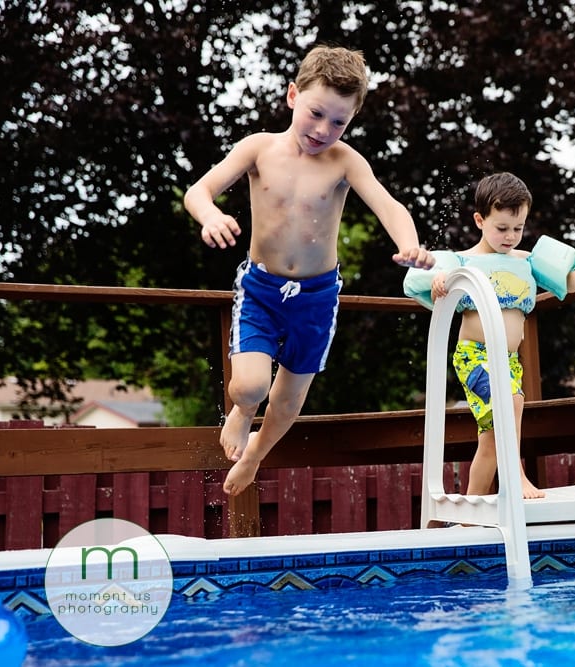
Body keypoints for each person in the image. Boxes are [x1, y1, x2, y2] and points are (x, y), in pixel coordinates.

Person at [184, 45, 434, 497]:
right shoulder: (258, 148)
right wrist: (210, 216)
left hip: (317, 296)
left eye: (339, 122)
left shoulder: (345, 161)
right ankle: (242, 413)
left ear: (352, 119)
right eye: (316, 113)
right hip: (262, 288)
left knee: (288, 400)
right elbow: (199, 190)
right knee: (251, 386)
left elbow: (388, 205)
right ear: (292, 95)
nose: (324, 130)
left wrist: (408, 244)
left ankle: (256, 456)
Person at [404, 172, 575, 499]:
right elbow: (435, 281)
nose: (511, 236)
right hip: (475, 355)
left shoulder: (525, 262)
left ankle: (470, 512)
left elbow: (566, 281)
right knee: (511, 401)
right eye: (502, 228)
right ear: (480, 220)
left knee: (492, 441)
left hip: (508, 359)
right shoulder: (463, 263)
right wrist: (441, 281)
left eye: (518, 228)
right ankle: (518, 477)